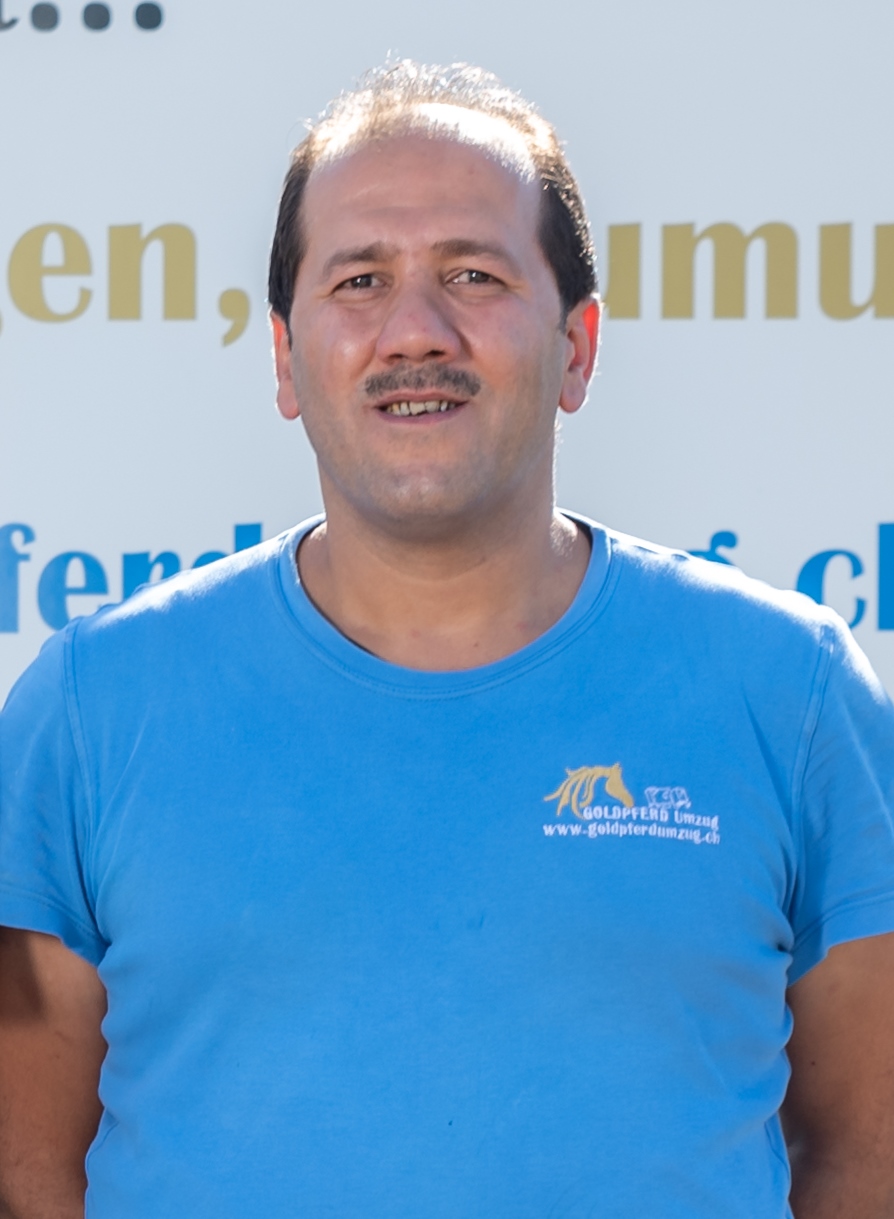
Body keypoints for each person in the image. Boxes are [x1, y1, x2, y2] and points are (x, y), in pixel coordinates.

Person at [1, 60, 894, 1219]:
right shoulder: (88, 707)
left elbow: (866, 1149)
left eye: (473, 275)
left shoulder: (794, 691)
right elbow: (27, 1170)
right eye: (359, 280)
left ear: (577, 346)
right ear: (284, 357)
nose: (414, 330)